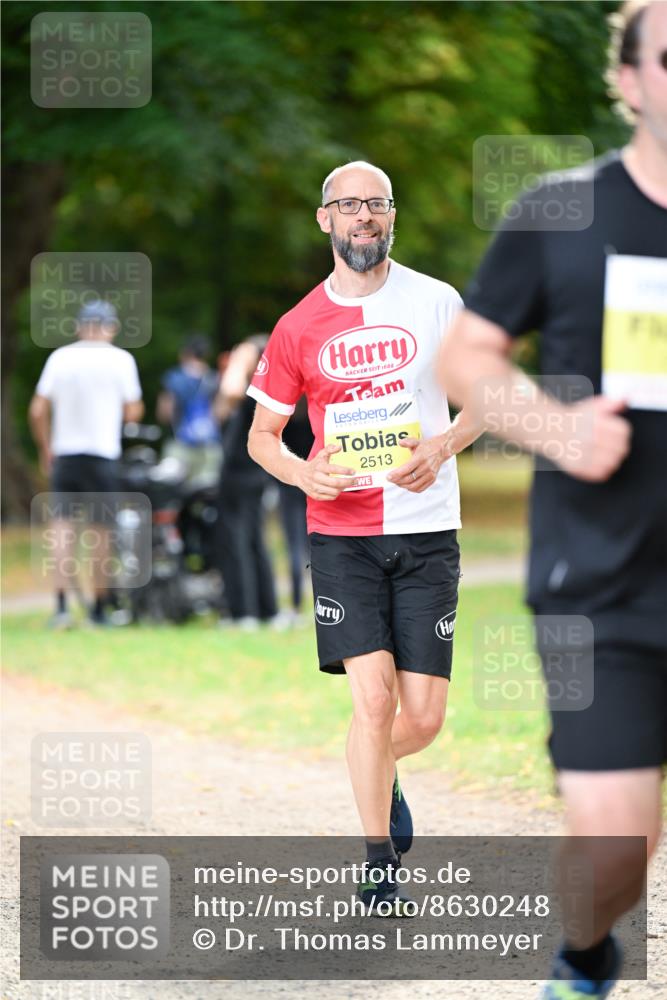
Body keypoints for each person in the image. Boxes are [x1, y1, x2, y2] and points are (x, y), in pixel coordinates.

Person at [438, 2, 666, 996]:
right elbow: (465, 355)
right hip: (603, 586)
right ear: (628, 81)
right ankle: (582, 956)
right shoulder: (561, 211)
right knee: (614, 848)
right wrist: (556, 428)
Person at [247, 161, 480, 912]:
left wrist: (441, 447)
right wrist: (299, 473)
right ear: (325, 219)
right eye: (348, 205)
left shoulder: (437, 301)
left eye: (376, 203)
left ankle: (375, 769)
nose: (363, 217)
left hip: (427, 527)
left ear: (391, 216)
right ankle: (378, 863)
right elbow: (261, 436)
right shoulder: (297, 325)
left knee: (424, 718)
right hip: (340, 535)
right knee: (373, 704)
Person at [29, 300, 144, 627]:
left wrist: (46, 448)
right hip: (102, 455)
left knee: (62, 530)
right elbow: (133, 411)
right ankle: (98, 609)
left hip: (65, 455)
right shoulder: (121, 360)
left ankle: (61, 607)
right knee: (100, 533)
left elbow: (37, 410)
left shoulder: (60, 358)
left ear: (80, 326)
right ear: (110, 327)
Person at [216, 335, 280, 630]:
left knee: (236, 541)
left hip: (239, 472)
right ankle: (268, 610)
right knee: (255, 540)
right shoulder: (269, 389)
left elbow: (229, 392)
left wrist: (240, 360)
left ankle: (244, 612)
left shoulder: (251, 385)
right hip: (257, 471)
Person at [157, 334, 221, 482]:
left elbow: (165, 414)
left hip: (179, 444)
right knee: (204, 490)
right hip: (209, 446)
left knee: (171, 489)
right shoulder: (214, 378)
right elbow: (219, 414)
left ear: (184, 353)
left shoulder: (174, 378)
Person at [277, 398, 314, 626]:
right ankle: (322, 602)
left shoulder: (284, 421)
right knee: (315, 548)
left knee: (294, 548)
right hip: (313, 486)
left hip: (290, 488)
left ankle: (296, 605)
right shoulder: (313, 416)